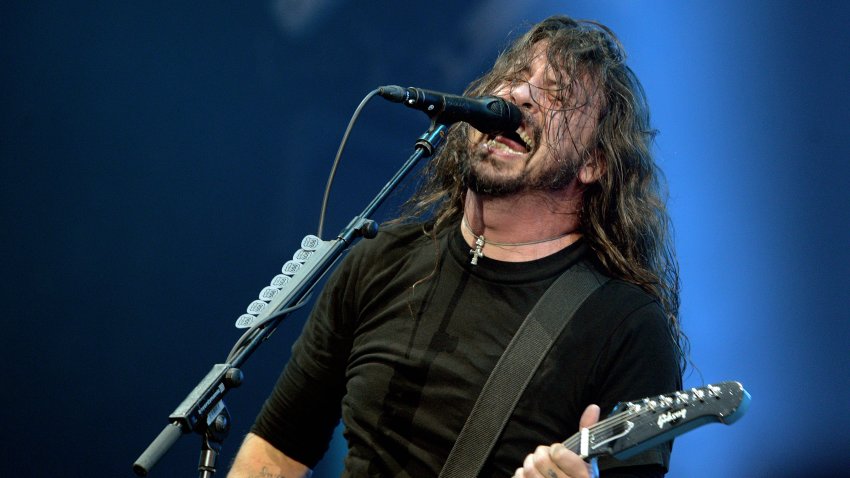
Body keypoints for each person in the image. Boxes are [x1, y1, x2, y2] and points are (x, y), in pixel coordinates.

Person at [228, 14, 685, 478]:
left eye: (558, 96)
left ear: (593, 163)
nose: (518, 94)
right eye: (514, 78)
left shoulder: (624, 326)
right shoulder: (381, 259)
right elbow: (274, 450)